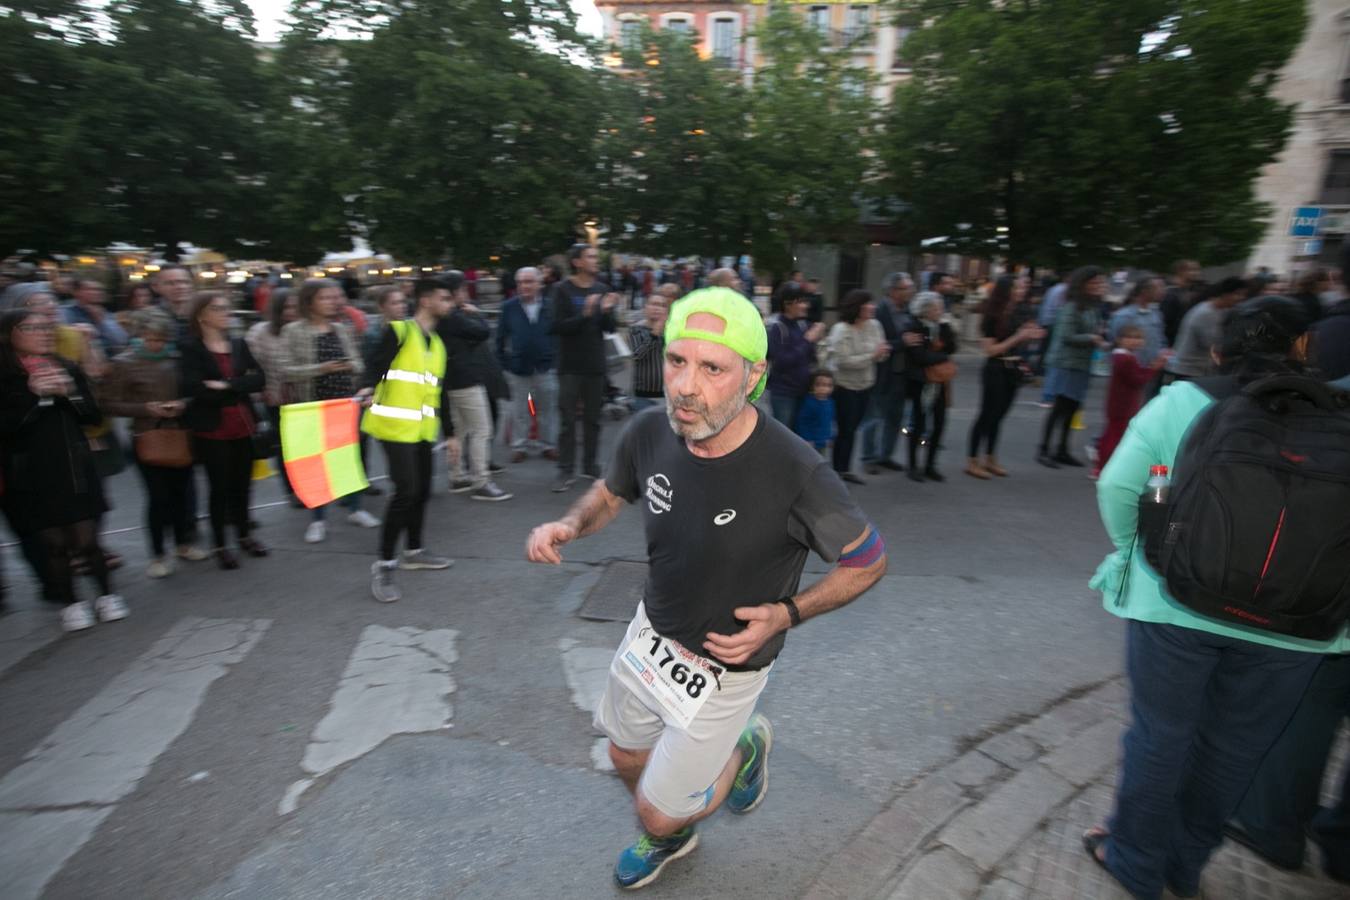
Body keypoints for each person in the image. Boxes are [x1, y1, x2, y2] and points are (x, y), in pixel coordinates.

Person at [525, 287, 886, 889]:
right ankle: (673, 829)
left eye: (712, 368)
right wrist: (571, 523)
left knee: (655, 808)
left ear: (754, 376)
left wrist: (788, 614)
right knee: (622, 754)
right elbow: (612, 491)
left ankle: (723, 767)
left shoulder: (797, 472)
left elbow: (868, 560)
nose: (686, 386)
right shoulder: (650, 431)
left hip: (726, 665)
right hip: (651, 638)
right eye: (676, 361)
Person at [1084, 295, 1349, 900]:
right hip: (1295, 625)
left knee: (1161, 736)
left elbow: (1123, 487)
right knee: (1235, 750)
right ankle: (1184, 865)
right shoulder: (1340, 416)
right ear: (1303, 347)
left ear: (1216, 350)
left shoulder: (1184, 402)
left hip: (1176, 605)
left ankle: (1134, 861)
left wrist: (1147, 555)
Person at [0, 306, 126, 631]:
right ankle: (71, 601)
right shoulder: (6, 376)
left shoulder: (66, 366)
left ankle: (106, 595)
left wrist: (68, 394)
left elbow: (93, 417)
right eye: (31, 328)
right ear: (9, 335)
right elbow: (7, 428)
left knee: (87, 540)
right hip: (30, 474)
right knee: (53, 545)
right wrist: (37, 397)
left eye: (45, 327)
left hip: (74, 467)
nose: (43, 333)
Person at [359, 278, 456, 604]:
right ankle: (384, 564)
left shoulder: (438, 344)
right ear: (426, 300)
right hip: (392, 426)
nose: (450, 303)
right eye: (445, 298)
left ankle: (414, 551)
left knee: (423, 491)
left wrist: (451, 434)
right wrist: (366, 387)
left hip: (422, 430)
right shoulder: (399, 331)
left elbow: (439, 393)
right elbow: (374, 365)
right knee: (407, 491)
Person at [103, 308, 202, 578]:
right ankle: (158, 554)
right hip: (147, 437)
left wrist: (183, 404)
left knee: (182, 494)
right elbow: (109, 403)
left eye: (161, 339)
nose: (156, 344)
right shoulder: (124, 363)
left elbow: (195, 391)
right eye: (150, 339)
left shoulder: (177, 358)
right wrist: (146, 409)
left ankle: (183, 543)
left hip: (180, 433)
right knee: (158, 499)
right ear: (139, 335)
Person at [283, 278, 380, 540]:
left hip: (344, 403)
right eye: (325, 298)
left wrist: (351, 366)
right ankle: (318, 520)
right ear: (309, 302)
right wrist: (321, 369)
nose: (332, 302)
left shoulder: (340, 329)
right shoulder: (294, 331)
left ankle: (355, 508)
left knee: (350, 459)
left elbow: (359, 364)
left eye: (333, 297)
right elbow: (286, 370)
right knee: (316, 465)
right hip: (312, 406)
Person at [180, 292, 267, 569]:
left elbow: (259, 380)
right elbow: (195, 389)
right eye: (218, 309)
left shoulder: (239, 344)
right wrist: (236, 386)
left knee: (243, 485)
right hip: (211, 428)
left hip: (242, 424)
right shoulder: (191, 348)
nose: (225, 313)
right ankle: (220, 543)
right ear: (201, 315)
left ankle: (244, 535)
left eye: (226, 308)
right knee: (219, 488)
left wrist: (229, 386)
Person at [549, 244, 618, 492]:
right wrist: (586, 314)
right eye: (590, 257)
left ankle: (590, 466)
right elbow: (557, 327)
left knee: (593, 419)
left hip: (595, 365)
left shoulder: (602, 289)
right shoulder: (561, 290)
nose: (595, 260)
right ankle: (565, 470)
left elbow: (609, 328)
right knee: (568, 420)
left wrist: (607, 311)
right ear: (577, 262)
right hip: (570, 366)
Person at [438, 271, 511, 502]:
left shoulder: (439, 316)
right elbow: (482, 332)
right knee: (481, 429)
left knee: (459, 430)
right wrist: (477, 315)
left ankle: (457, 476)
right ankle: (481, 481)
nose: (465, 292)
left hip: (448, 379)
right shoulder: (455, 316)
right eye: (461, 289)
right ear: (453, 292)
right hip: (466, 378)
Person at [966, 275, 1044, 479]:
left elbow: (1021, 340)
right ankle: (972, 460)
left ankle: (990, 457)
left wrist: (1031, 336)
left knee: (1000, 416)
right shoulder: (992, 315)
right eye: (1016, 288)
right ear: (1005, 290)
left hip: (1013, 367)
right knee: (987, 415)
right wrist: (1018, 337)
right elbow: (990, 350)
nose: (1021, 291)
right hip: (995, 368)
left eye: (1021, 287)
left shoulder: (1018, 311)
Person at [1038, 266, 1107, 468]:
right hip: (1066, 363)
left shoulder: (1092, 307)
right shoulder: (1072, 306)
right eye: (1094, 283)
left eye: (1100, 282)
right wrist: (1092, 337)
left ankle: (1062, 449)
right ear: (1083, 284)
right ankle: (1044, 449)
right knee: (1060, 407)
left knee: (1073, 407)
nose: (1098, 286)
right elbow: (1066, 335)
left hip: (1081, 363)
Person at [825, 289, 887, 484]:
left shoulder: (875, 325)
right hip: (845, 387)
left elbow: (883, 352)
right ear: (856, 307)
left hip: (866, 385)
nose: (872, 307)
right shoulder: (841, 329)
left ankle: (844, 469)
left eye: (872, 303)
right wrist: (872, 356)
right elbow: (843, 361)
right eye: (867, 303)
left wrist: (878, 355)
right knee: (846, 429)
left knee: (853, 429)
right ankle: (837, 471)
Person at [496, 266, 558, 463]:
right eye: (521, 282)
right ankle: (519, 446)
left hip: (545, 367)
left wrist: (554, 360)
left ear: (539, 284)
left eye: (529, 281)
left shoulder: (551, 306)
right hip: (518, 369)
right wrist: (505, 364)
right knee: (519, 410)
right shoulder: (509, 307)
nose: (524, 286)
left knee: (547, 409)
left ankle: (548, 444)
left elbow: (559, 335)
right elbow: (499, 339)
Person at [1091, 325, 1169, 479]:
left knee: (1111, 435)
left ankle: (1101, 467)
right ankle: (1103, 469)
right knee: (1115, 438)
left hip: (1118, 404)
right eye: (1130, 338)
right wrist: (1154, 368)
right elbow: (1137, 380)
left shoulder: (1124, 357)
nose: (1135, 341)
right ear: (1120, 340)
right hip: (1123, 405)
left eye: (1139, 338)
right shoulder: (1124, 359)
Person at [860, 272, 919, 474]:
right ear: (893, 291)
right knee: (874, 417)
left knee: (896, 418)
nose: (910, 292)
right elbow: (877, 345)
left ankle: (885, 456)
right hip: (882, 374)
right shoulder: (879, 312)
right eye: (906, 288)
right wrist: (902, 343)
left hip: (903, 374)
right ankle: (869, 457)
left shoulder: (911, 311)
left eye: (911, 288)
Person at [246, 287, 300, 504]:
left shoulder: (303, 329)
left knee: (305, 446)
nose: (292, 311)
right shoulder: (260, 333)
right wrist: (260, 391)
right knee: (285, 447)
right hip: (276, 398)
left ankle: (309, 486)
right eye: (287, 306)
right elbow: (250, 366)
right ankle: (292, 490)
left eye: (295, 306)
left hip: (305, 397)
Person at [900, 293, 957, 482]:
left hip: (940, 382)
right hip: (921, 382)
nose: (940, 311)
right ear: (925, 310)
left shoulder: (941, 327)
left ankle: (930, 465)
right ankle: (913, 465)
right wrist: (942, 358)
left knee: (940, 423)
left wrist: (947, 327)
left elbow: (953, 347)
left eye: (940, 307)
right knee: (918, 424)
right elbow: (920, 357)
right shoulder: (914, 326)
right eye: (936, 308)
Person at [765, 281, 825, 429]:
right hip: (783, 393)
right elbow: (781, 361)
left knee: (799, 434)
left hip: (803, 390)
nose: (806, 305)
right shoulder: (777, 327)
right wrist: (807, 340)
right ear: (788, 303)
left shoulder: (802, 324)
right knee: (784, 436)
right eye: (801, 302)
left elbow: (809, 357)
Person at [1164, 276, 1246, 384]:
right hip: (1187, 370)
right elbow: (1212, 344)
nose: (1241, 298)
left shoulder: (1220, 311)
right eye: (1238, 294)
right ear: (1226, 294)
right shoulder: (1206, 313)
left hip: (1198, 370)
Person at [1107, 277, 1166, 366]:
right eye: (1158, 287)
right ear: (1144, 291)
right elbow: (1114, 341)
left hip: (1153, 368)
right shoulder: (1124, 316)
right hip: (1130, 368)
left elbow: (1160, 338)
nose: (1163, 291)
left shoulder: (1156, 313)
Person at [628, 290, 670, 413]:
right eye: (654, 304)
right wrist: (655, 332)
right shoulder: (636, 329)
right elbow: (637, 355)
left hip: (668, 395)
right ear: (645, 308)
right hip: (643, 395)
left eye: (662, 306)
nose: (657, 308)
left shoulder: (672, 332)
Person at [64, 279, 129, 356]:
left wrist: (101, 320)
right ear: (77, 292)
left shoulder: (105, 313)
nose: (98, 293)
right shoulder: (67, 312)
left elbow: (121, 340)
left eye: (99, 290)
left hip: (110, 357)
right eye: (91, 289)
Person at [1159, 259, 1200, 349]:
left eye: (1197, 270)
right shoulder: (1169, 293)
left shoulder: (1192, 292)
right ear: (1180, 271)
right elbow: (1163, 323)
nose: (1196, 273)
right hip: (1171, 345)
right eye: (1191, 270)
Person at [795, 370, 835, 453]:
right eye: (819, 385)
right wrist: (807, 439)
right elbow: (803, 422)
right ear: (812, 386)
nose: (823, 388)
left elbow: (831, 422)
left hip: (823, 442)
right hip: (811, 443)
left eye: (828, 385)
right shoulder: (809, 403)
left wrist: (830, 437)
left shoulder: (830, 402)